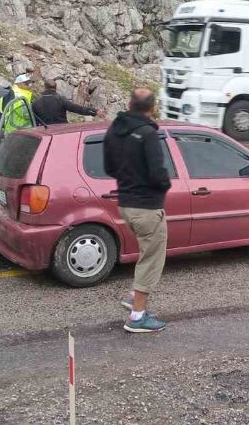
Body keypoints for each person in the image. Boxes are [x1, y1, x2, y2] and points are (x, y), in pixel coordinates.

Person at [103, 88, 171, 333]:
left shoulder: (114, 129)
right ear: (152, 108)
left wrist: (128, 180)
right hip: (147, 206)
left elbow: (109, 167)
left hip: (125, 203)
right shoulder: (148, 134)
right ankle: (137, 316)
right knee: (152, 258)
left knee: (145, 251)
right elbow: (157, 172)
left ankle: (134, 296)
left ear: (130, 103)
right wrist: (165, 184)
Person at [32, 79, 99, 124]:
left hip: (45, 132)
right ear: (56, 88)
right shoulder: (61, 99)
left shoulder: (36, 102)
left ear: (45, 87)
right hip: (62, 131)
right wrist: (94, 111)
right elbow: (77, 109)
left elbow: (34, 121)